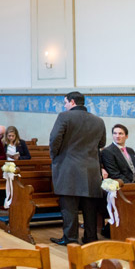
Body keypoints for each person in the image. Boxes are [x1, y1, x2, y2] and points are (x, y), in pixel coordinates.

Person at [49, 91, 106, 246]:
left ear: (72, 102)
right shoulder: (99, 121)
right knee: (90, 208)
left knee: (69, 207)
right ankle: (90, 238)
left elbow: (54, 140)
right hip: (91, 170)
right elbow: (102, 144)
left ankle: (70, 238)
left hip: (68, 167)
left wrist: (55, 158)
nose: (65, 105)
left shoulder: (64, 117)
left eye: (65, 102)